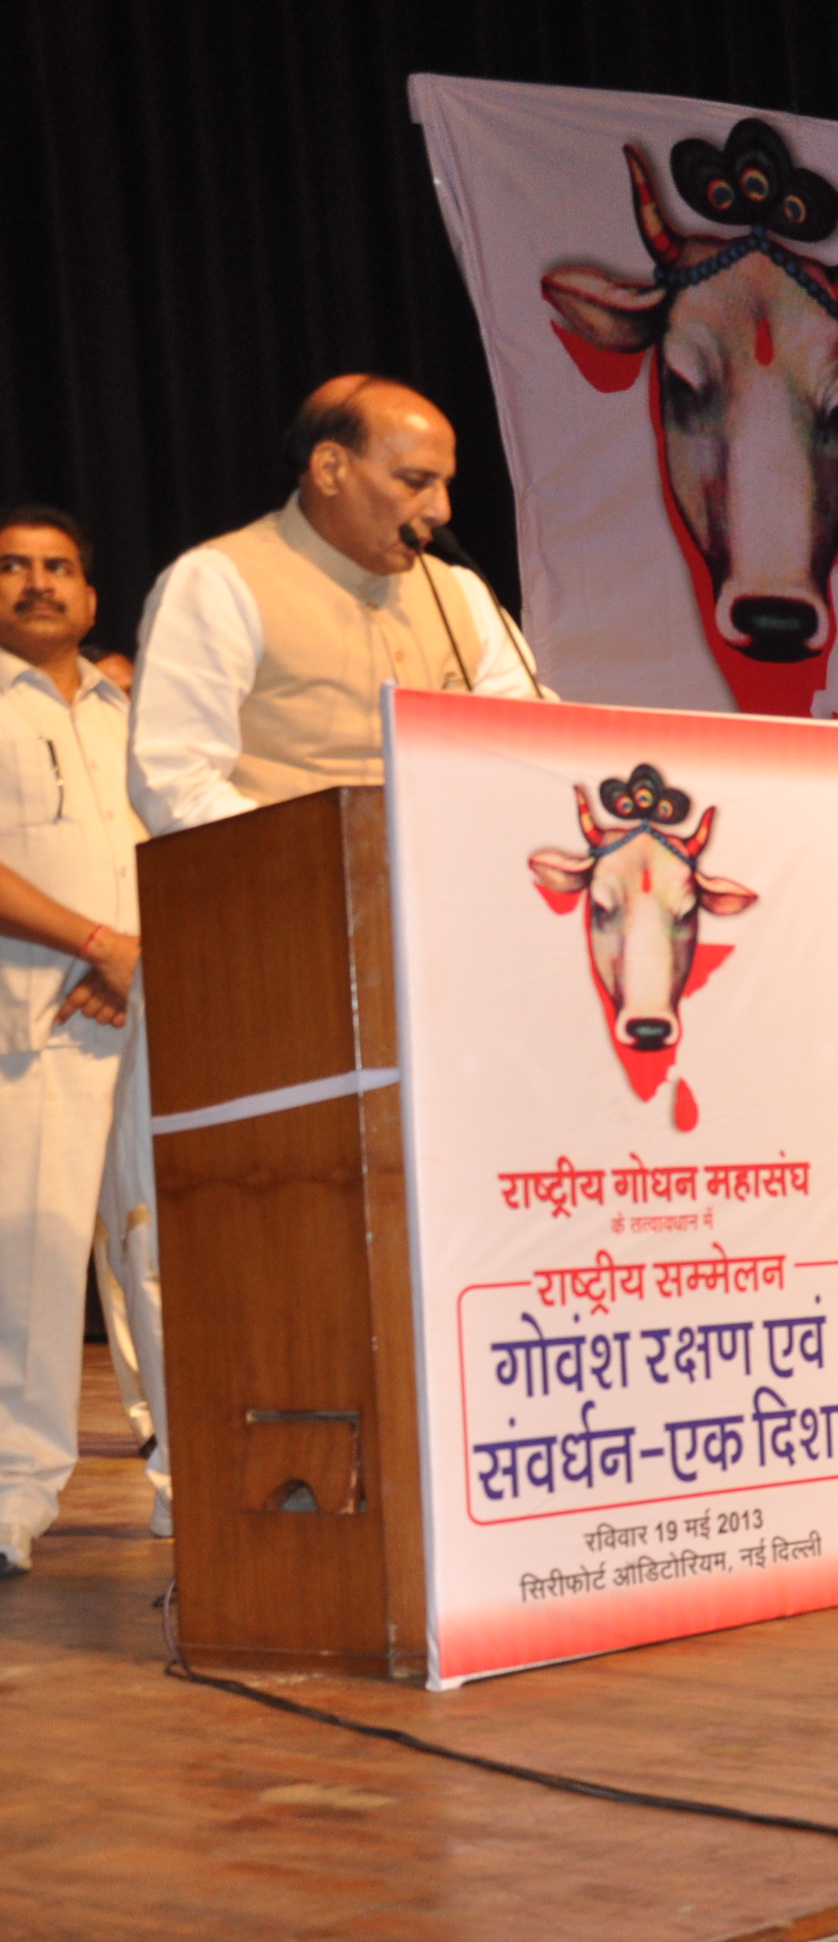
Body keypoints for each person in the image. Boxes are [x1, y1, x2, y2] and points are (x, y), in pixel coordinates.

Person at [129, 375, 541, 833]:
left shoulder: (461, 593)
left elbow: (530, 750)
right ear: (329, 469)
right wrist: (320, 861)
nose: (440, 511)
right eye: (415, 482)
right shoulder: (218, 582)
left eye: (445, 485)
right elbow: (174, 784)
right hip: (287, 891)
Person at [0, 509, 157, 1571]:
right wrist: (99, 944)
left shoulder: (127, 714)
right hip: (37, 1021)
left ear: (92, 598)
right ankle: (16, 1496)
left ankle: (189, 1482)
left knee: (162, 1256)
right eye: (12, 568)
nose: (38, 584)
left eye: (58, 569)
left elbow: (181, 836)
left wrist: (136, 958)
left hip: (147, 1008)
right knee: (36, 1258)